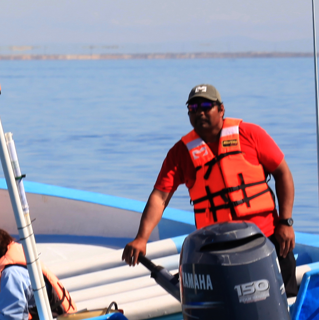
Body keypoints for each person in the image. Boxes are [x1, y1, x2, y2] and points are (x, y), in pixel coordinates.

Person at [121, 84, 298, 296]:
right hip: (218, 247)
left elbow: (283, 173)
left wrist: (285, 222)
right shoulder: (180, 153)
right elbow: (160, 197)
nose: (200, 112)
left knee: (287, 302)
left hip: (266, 238)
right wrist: (141, 238)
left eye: (206, 106)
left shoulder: (250, 134)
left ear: (221, 109)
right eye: (193, 108)